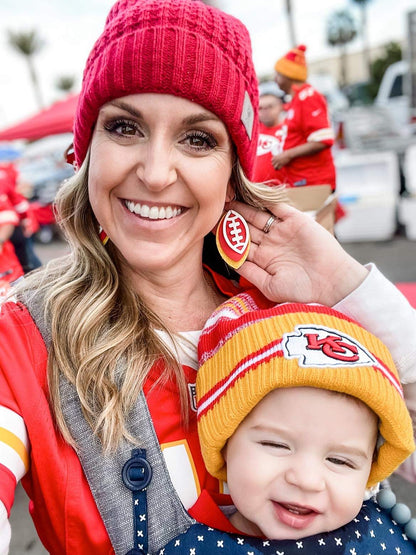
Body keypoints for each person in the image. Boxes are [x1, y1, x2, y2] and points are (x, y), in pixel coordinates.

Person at [0, 1, 415, 553]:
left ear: (232, 175)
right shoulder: (23, 340)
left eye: (197, 139)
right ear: (88, 152)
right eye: (124, 127)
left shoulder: (292, 311)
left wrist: (345, 291)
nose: (153, 172)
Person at [159, 293, 416, 552]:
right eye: (277, 445)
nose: (306, 480)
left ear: (370, 472)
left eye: (340, 460)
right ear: (224, 441)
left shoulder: (383, 539)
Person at [272, 44, 336, 190]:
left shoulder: (308, 97)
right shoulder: (296, 99)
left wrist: (287, 155)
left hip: (314, 182)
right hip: (302, 181)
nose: (275, 79)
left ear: (289, 75)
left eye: (278, 74)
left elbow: (322, 140)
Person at [253, 81, 287, 184]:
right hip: (257, 193)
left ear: (281, 106)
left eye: (270, 107)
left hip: (283, 192)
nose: (265, 111)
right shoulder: (252, 132)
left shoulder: (290, 130)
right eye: (261, 108)